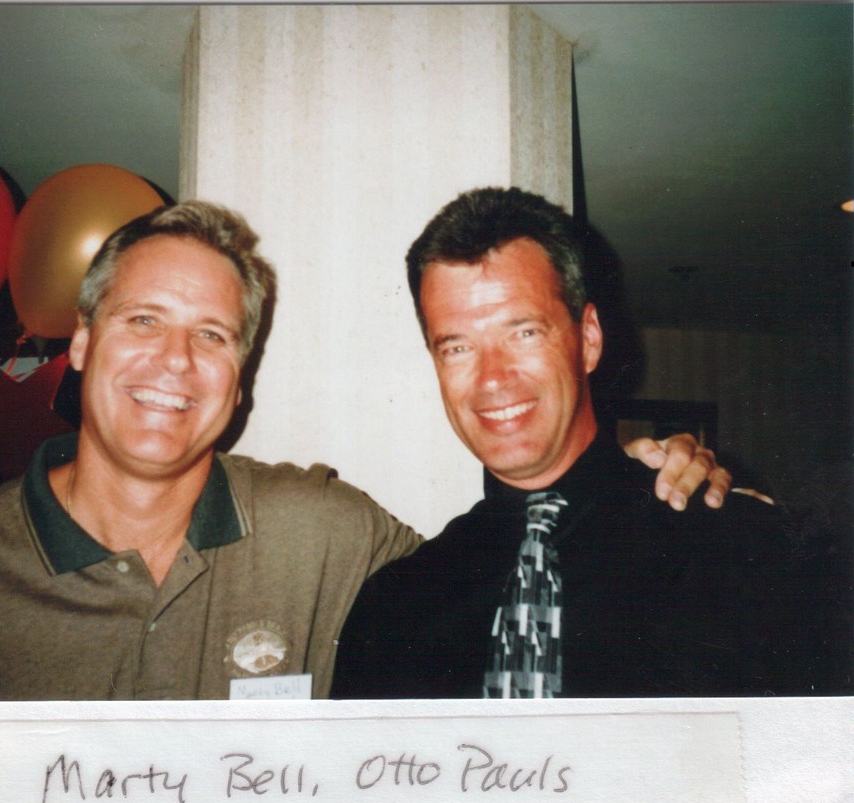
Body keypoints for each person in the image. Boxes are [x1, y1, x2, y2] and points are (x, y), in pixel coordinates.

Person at [0, 200, 728, 701]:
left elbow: (509, 558)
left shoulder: (324, 534)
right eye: (144, 320)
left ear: (240, 378)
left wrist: (663, 471)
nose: (175, 361)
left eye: (212, 334)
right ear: (82, 340)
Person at [332, 187, 850, 699]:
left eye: (524, 333)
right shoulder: (394, 607)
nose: (492, 378)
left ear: (589, 339)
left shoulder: (744, 551)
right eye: (457, 347)